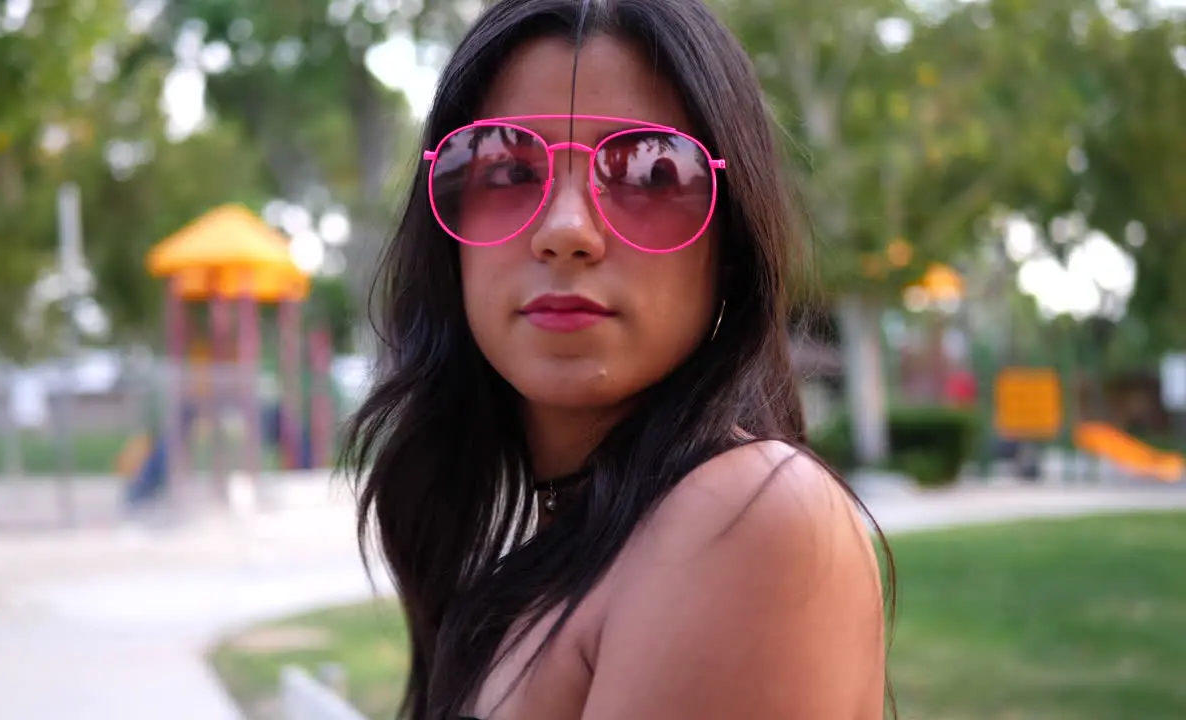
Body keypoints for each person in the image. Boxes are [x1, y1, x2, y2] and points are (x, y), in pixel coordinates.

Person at [344, 0, 892, 718]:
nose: (567, 231)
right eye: (504, 168)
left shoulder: (751, 522)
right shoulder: (558, 552)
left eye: (653, 174)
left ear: (730, 245)